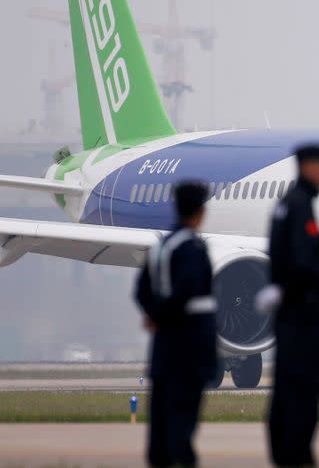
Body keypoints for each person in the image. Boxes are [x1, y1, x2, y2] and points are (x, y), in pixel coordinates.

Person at [134, 181, 218, 468]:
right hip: (189, 348)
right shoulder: (192, 248)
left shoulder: (161, 247)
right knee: (183, 421)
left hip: (163, 349)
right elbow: (186, 292)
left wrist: (155, 316)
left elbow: (142, 290)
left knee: (160, 418)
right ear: (200, 211)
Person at [262, 144, 319, 467]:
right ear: (309, 168)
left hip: (292, 314)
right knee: (302, 393)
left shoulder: (287, 206)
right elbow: (303, 263)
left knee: (288, 392)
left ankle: (287, 453)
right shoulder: (299, 207)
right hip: (303, 316)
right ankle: (297, 455)